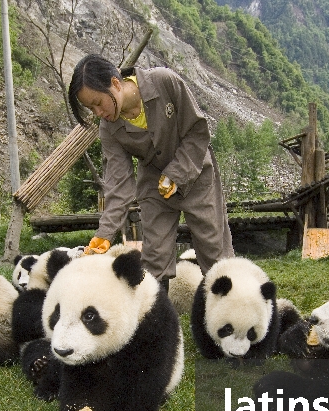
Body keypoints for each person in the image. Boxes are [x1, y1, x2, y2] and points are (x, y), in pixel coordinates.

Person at [67, 54, 234, 288]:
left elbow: (197, 132)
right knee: (155, 259)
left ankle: (229, 316)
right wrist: (104, 233)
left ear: (115, 83)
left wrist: (176, 174)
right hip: (155, 186)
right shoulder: (109, 129)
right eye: (90, 108)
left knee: (214, 251)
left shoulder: (164, 81)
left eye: (98, 102)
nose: (97, 112)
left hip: (195, 172)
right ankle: (158, 319)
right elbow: (119, 183)